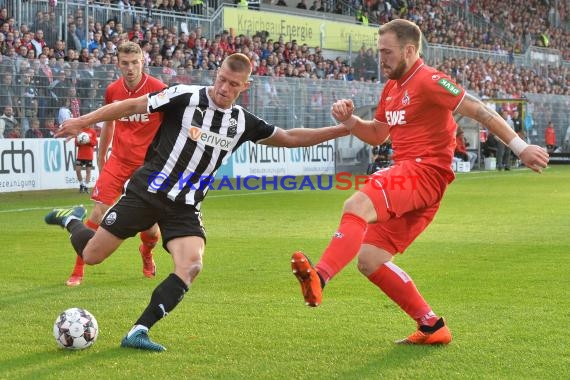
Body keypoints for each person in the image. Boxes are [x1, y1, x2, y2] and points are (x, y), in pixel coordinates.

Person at [45, 52, 350, 352]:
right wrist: (82, 121)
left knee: (191, 265)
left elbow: (290, 137)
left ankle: (139, 331)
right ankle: (71, 219)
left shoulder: (242, 122)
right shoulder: (185, 96)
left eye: (233, 84)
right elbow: (132, 105)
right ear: (216, 74)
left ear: (245, 86)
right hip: (147, 192)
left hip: (185, 205)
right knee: (93, 254)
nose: (223, 88)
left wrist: (344, 129)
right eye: (221, 80)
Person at [290, 19, 549, 346]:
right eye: (379, 51)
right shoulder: (391, 89)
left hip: (424, 173)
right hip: (415, 182)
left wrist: (521, 147)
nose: (380, 58)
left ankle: (320, 277)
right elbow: (377, 135)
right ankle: (431, 326)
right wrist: (350, 121)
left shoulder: (429, 80)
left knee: (355, 204)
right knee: (370, 260)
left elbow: (479, 110)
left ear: (409, 50)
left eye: (387, 52)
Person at [62, 41, 166, 287]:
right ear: (118, 64)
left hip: (148, 166)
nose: (130, 68)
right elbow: (109, 123)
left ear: (143, 62)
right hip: (118, 161)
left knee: (151, 230)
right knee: (98, 213)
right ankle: (78, 270)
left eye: (134, 63)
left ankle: (147, 253)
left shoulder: (159, 89)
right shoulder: (113, 90)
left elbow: (167, 126)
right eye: (125, 63)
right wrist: (101, 158)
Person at [74, 126, 98, 193]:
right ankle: (82, 184)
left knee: (88, 171)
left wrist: (89, 140)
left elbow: (95, 142)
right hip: (80, 155)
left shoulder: (92, 131)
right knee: (77, 170)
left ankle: (86, 186)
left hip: (89, 155)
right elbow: (76, 143)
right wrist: (79, 141)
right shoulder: (80, 131)